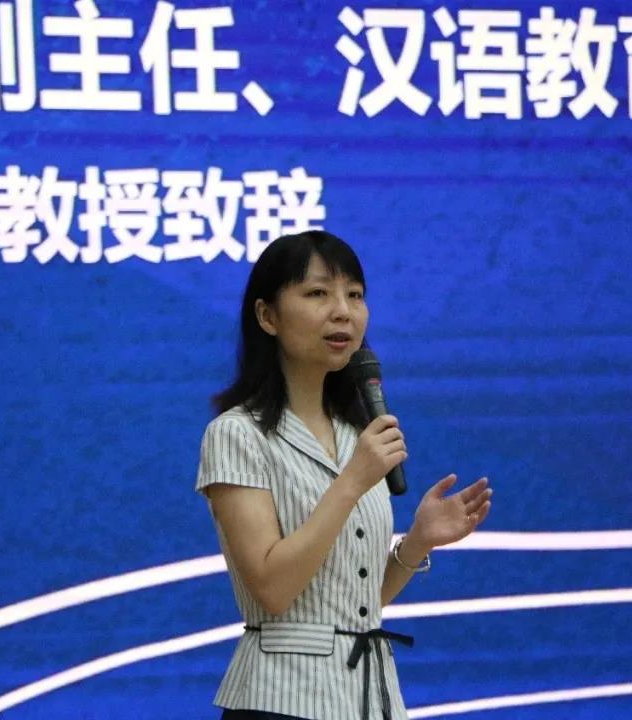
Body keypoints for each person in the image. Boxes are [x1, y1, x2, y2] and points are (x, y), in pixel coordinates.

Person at [195, 230, 493, 720]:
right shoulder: (237, 434)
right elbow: (273, 589)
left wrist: (416, 544)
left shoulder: (359, 434)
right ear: (267, 316)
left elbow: (350, 604)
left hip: (369, 698)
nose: (343, 312)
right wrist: (353, 481)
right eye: (318, 293)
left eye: (355, 295)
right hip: (280, 699)